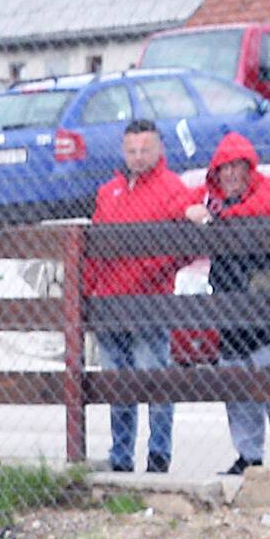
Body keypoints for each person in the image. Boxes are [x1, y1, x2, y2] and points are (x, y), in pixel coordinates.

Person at [185, 132, 270, 474]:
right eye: (224, 169)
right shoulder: (213, 199)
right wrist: (196, 210)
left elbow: (264, 207)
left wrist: (217, 217)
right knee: (238, 390)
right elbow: (183, 201)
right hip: (231, 314)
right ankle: (248, 455)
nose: (232, 175)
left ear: (250, 169)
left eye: (238, 167)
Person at [85, 118, 190, 475]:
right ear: (123, 151)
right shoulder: (108, 192)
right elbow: (94, 248)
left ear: (159, 149)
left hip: (149, 304)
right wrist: (86, 293)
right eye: (132, 150)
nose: (138, 156)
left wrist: (154, 271)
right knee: (119, 386)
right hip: (110, 304)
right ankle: (121, 455)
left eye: (145, 149)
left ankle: (159, 453)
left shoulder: (171, 188)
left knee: (155, 381)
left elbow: (185, 241)